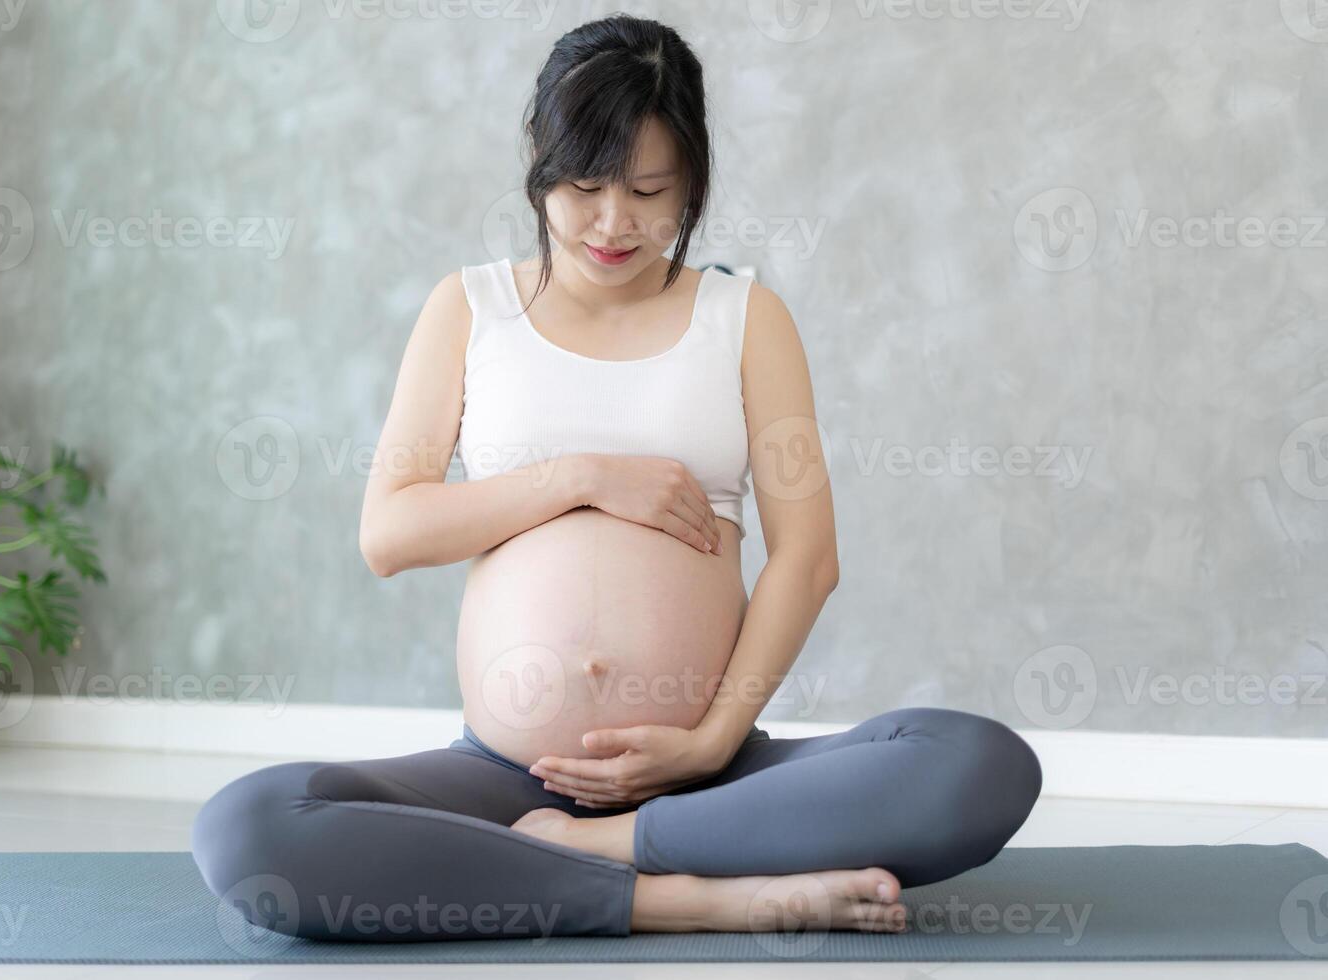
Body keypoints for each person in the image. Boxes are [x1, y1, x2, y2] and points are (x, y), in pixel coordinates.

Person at [191, 13, 1042, 944]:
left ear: (694, 180)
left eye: (648, 191)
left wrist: (710, 742)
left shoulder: (746, 318)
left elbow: (809, 560)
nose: (612, 223)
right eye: (585, 186)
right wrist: (584, 477)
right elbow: (389, 533)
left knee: (976, 764)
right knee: (250, 828)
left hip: (707, 776)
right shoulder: (468, 309)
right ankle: (692, 895)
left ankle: (607, 849)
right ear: (538, 161)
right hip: (508, 778)